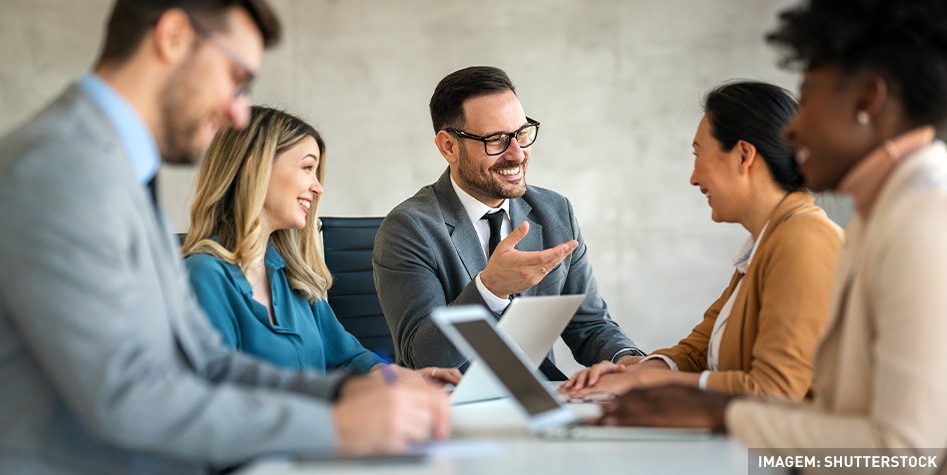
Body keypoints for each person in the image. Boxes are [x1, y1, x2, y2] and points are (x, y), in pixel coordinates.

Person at [0, 1, 448, 473]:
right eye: (236, 78)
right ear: (173, 37)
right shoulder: (58, 169)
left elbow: (208, 361)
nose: (238, 114)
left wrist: (351, 392)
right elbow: (124, 394)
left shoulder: (117, 172)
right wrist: (336, 426)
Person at [598, 0, 947, 470]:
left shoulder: (921, 221)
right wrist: (659, 381)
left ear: (867, 101)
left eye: (809, 94)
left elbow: (907, 454)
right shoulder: (878, 216)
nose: (793, 129)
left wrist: (719, 413)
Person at [561, 81, 842, 400]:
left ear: (743, 156)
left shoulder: (803, 238)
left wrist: (647, 382)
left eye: (698, 153)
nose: (693, 177)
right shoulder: (766, 243)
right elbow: (698, 351)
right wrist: (633, 372)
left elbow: (774, 391)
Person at [373, 66, 642, 379]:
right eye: (496, 140)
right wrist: (490, 289)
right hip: (454, 401)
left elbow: (590, 325)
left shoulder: (555, 212)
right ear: (449, 147)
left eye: (522, 133)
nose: (517, 154)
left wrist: (630, 362)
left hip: (542, 395)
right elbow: (421, 358)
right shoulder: (408, 229)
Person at [182, 105, 461, 384]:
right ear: (254, 168)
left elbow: (350, 358)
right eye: (307, 168)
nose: (318, 187)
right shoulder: (203, 276)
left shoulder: (292, 276)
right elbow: (219, 394)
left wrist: (402, 380)